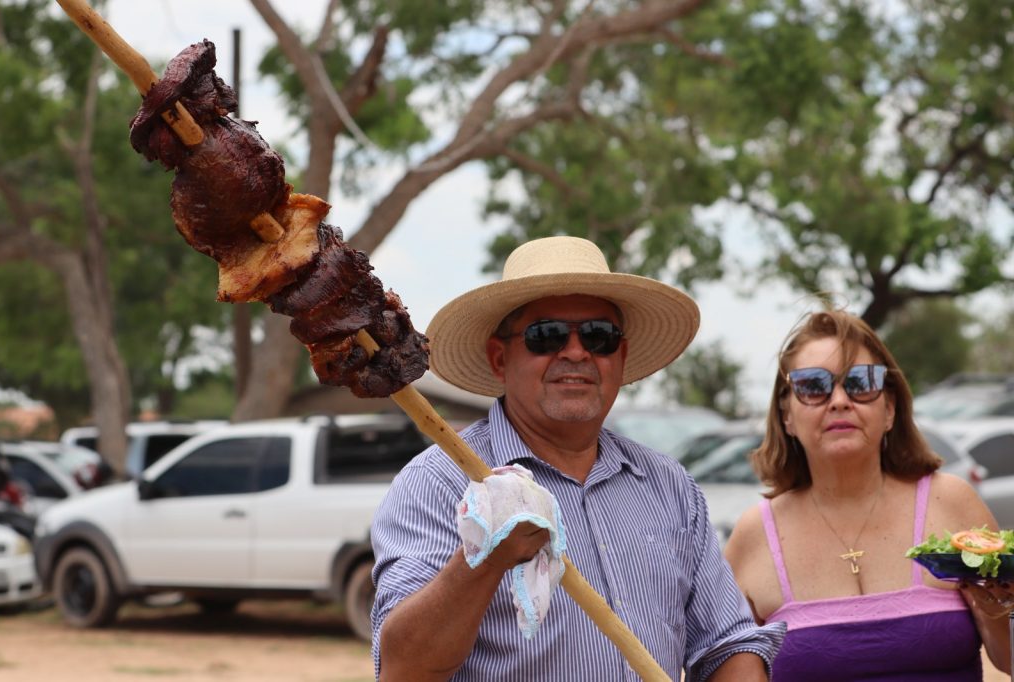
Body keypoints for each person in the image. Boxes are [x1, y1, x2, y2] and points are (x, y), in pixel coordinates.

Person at [370, 236, 784, 681]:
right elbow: (403, 669)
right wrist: (485, 560)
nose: (575, 351)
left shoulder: (669, 486)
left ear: (620, 358)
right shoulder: (437, 484)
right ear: (498, 358)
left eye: (598, 336)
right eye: (545, 335)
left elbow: (726, 644)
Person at [724, 308, 1014, 680]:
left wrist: (996, 611)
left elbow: (1007, 658)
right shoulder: (754, 536)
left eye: (860, 383)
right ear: (786, 416)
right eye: (813, 386)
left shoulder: (952, 502)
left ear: (890, 408)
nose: (840, 400)